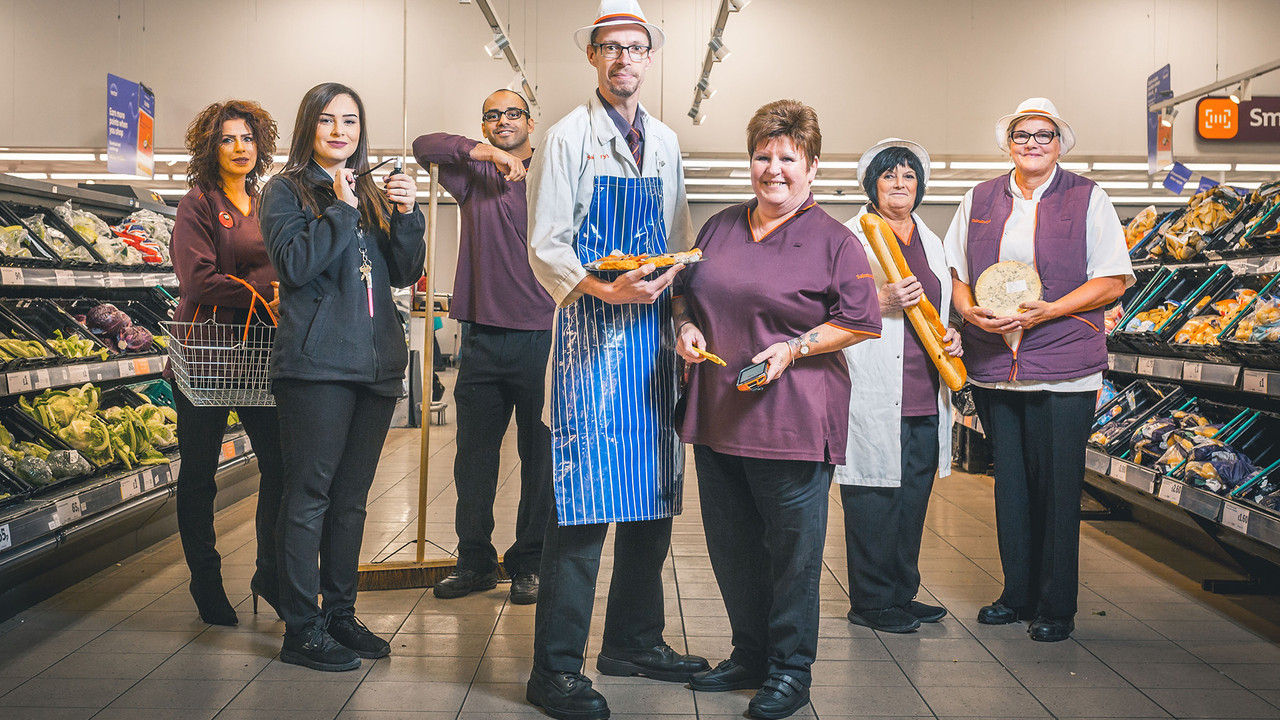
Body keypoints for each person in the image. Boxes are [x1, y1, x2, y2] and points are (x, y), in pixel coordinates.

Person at [523, 2, 707, 718]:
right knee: (580, 513)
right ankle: (553, 670)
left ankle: (633, 640)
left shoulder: (664, 142)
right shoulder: (568, 137)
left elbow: (680, 243)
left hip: (653, 352)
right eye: (611, 47)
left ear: (648, 59)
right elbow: (547, 245)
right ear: (594, 56)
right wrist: (608, 289)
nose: (624, 58)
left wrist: (681, 320)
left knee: (652, 506)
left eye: (635, 48)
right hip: (590, 349)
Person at [674, 100, 882, 720]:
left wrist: (795, 348)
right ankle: (750, 653)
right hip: (719, 414)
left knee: (792, 556)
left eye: (788, 158)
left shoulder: (835, 241)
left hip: (792, 423)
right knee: (732, 547)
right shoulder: (720, 227)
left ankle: (791, 670)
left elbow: (859, 321)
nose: (773, 169)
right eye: (763, 156)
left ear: (811, 167)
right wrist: (684, 327)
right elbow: (684, 293)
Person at [944, 98, 1133, 643]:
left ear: (1059, 144)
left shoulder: (1087, 197)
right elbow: (955, 271)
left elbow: (1112, 279)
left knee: (1056, 486)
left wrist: (1051, 310)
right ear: (1008, 143)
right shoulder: (979, 198)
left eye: (1043, 135)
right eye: (1022, 135)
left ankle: (1055, 605)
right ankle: (1016, 593)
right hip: (995, 364)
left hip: (1064, 364)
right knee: (1010, 485)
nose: (1032, 143)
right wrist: (967, 310)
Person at [259, 82, 426, 671]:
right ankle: (301, 627)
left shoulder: (370, 191)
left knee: (351, 502)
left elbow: (403, 272)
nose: (339, 131)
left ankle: (339, 614)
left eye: (350, 121)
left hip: (375, 366)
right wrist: (340, 206)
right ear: (308, 126)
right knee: (309, 497)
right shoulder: (284, 190)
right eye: (327, 120)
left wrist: (407, 215)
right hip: (317, 368)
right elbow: (295, 264)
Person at [412, 89, 554, 605]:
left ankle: (529, 562)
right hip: (481, 337)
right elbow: (424, 145)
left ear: (531, 122)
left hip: (544, 335)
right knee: (473, 461)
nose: (502, 121)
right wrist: (487, 153)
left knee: (541, 460)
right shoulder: (473, 175)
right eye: (492, 116)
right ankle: (474, 562)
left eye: (512, 114)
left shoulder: (553, 173)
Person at [837, 138, 963, 634]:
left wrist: (953, 332)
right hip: (872, 388)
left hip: (926, 392)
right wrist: (879, 299)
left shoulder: (931, 241)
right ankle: (871, 602)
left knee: (912, 500)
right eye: (889, 175)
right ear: (872, 185)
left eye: (909, 176)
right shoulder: (850, 238)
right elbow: (822, 301)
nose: (899, 184)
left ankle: (901, 593)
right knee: (873, 500)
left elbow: (941, 303)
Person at [168, 99, 285, 627]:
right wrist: (265, 296)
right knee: (199, 476)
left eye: (247, 138)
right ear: (210, 147)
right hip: (206, 357)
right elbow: (198, 280)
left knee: (281, 467)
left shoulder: (264, 201)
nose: (240, 147)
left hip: (259, 357)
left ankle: (270, 575)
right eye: (227, 139)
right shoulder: (197, 204)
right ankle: (206, 582)